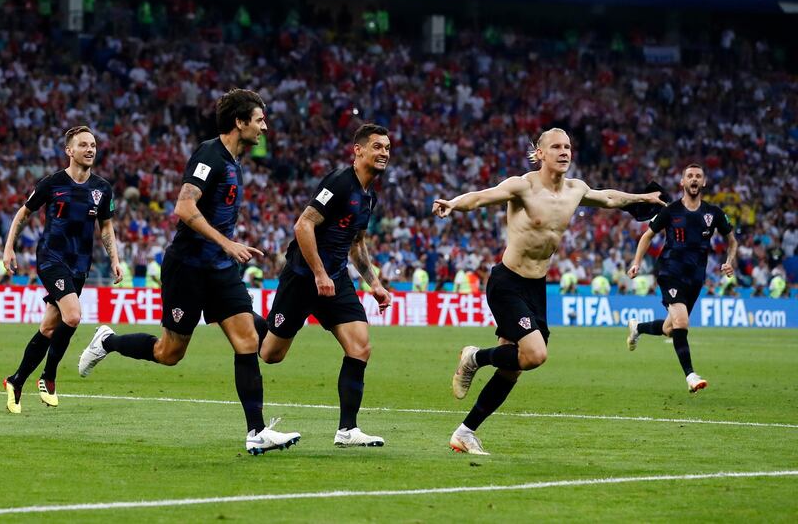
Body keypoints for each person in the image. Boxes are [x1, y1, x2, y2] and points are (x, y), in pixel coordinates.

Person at [78, 89, 300, 454]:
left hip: (220, 269)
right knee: (169, 353)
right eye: (259, 119)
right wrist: (227, 243)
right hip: (188, 267)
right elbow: (184, 207)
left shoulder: (235, 161)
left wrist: (226, 249)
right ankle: (108, 341)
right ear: (239, 122)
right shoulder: (210, 154)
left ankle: (256, 432)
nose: (264, 126)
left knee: (247, 341)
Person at [432, 127, 664, 454]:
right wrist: (453, 205)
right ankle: (474, 357)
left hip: (536, 286)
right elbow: (482, 197)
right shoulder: (523, 186)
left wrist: (643, 199)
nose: (564, 152)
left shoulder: (575, 189)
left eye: (568, 146)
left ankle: (465, 432)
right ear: (539, 153)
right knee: (536, 355)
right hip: (507, 282)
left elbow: (610, 197)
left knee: (512, 369)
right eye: (556, 146)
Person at [255, 124, 392, 448]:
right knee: (271, 355)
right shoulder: (339, 182)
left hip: (336, 278)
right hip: (304, 277)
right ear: (357, 150)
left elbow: (356, 244)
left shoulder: (368, 195)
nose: (384, 153)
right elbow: (303, 224)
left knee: (360, 346)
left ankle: (347, 430)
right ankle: (243, 318)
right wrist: (318, 273)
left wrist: (374, 284)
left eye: (387, 148)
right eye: (377, 146)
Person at [3, 126, 121, 414]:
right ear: (70, 150)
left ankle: (16, 381)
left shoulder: (102, 189)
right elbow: (23, 213)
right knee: (73, 315)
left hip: (80, 264)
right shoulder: (52, 183)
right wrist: (8, 248)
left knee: (48, 327)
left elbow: (106, 226)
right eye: (83, 145)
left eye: (93, 144)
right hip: (51, 258)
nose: (90, 149)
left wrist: (115, 259)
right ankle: (48, 377)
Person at [626, 163, 737, 393]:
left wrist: (729, 261)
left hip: (695, 277)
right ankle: (691, 376)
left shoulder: (713, 213)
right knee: (682, 323)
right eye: (690, 176)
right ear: (683, 183)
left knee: (670, 328)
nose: (694, 179)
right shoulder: (670, 211)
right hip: (670, 271)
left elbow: (732, 240)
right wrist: (637, 262)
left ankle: (638, 327)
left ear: (703, 182)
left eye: (698, 176)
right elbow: (647, 236)